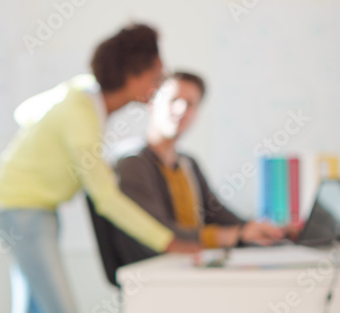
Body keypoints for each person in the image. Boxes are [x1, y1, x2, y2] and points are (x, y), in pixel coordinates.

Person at [0, 24, 197, 313]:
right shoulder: (80, 114)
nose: (159, 84)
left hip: (32, 208)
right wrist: (168, 241)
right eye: (156, 76)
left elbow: (25, 112)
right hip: (22, 211)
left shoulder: (82, 94)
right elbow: (107, 198)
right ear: (131, 76)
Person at [115, 72, 285, 251]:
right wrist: (234, 235)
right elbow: (158, 231)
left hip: (192, 261)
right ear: (151, 103)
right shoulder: (132, 162)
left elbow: (219, 214)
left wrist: (267, 229)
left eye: (190, 104)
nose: (181, 110)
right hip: (159, 267)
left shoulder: (188, 163)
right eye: (173, 100)